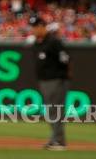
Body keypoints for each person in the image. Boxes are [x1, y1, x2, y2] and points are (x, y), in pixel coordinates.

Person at [31, 15, 70, 151]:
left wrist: (61, 76)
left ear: (42, 26)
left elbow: (65, 59)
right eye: (33, 27)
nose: (34, 30)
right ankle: (55, 139)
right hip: (44, 81)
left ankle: (59, 141)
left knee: (56, 110)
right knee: (50, 112)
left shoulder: (53, 42)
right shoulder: (38, 43)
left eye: (36, 27)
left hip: (56, 80)